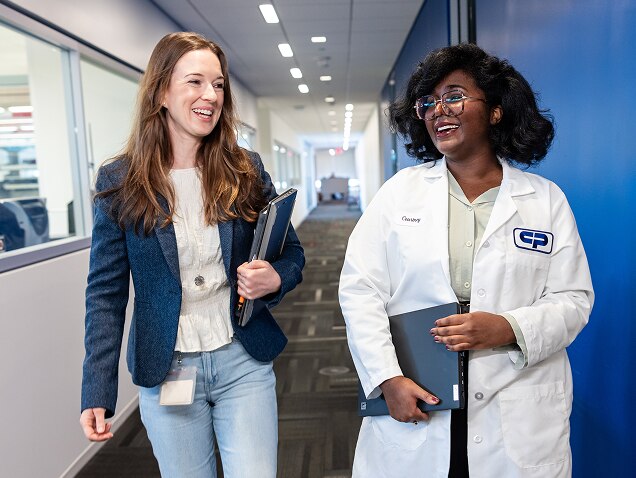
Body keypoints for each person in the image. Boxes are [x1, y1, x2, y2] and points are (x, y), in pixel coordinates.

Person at [339, 43, 593, 478]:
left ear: (495, 110)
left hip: (514, 400)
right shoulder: (400, 193)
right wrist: (386, 379)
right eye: (428, 102)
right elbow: (361, 290)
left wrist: (508, 327)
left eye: (454, 95)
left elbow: (574, 299)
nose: (439, 110)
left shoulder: (545, 200)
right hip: (419, 390)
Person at [79, 32, 304, 478]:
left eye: (218, 84)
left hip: (242, 357)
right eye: (196, 82)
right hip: (168, 367)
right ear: (161, 92)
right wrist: (96, 388)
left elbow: (291, 253)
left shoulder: (245, 169)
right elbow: (105, 294)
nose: (211, 96)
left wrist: (274, 278)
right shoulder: (121, 180)